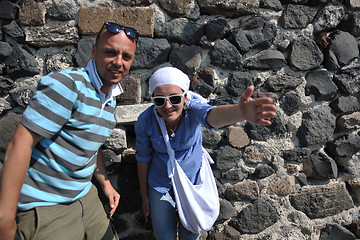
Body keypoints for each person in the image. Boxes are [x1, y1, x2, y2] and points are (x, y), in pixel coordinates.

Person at [0, 22, 139, 240]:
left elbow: (92, 145)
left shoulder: (109, 97)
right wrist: (5, 218)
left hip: (86, 195)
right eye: (110, 52)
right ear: (94, 52)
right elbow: (21, 144)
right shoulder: (68, 84)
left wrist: (105, 184)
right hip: (47, 203)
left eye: (126, 56)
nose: (118, 62)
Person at [135, 66, 277, 240]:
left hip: (193, 180)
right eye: (159, 100)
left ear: (185, 97)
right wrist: (144, 196)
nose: (167, 106)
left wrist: (240, 113)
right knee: (164, 235)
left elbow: (212, 116)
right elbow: (143, 158)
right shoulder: (146, 120)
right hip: (161, 182)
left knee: (191, 232)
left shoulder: (193, 109)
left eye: (174, 98)